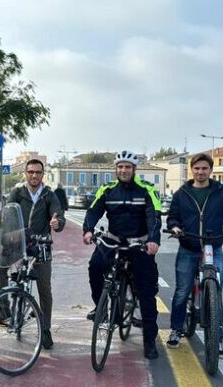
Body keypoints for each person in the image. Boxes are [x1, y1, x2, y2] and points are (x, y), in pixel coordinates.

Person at [165, 153, 223, 358]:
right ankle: (176, 329)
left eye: (205, 168)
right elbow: (172, 217)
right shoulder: (182, 193)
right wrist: (175, 227)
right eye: (197, 168)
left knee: (216, 293)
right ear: (191, 169)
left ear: (210, 170)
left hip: (214, 248)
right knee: (181, 291)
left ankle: (218, 339)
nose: (200, 172)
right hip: (188, 247)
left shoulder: (222, 191)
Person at [82, 150, 162, 359]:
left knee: (146, 292)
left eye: (127, 167)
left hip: (139, 243)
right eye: (120, 167)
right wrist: (88, 230)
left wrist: (153, 240)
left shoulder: (147, 190)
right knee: (95, 266)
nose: (123, 170)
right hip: (114, 240)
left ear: (134, 169)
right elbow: (93, 211)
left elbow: (154, 215)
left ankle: (149, 341)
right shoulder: (107, 190)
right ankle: (102, 307)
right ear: (115, 169)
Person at [0, 159, 65, 349]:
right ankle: (3, 310)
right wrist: (10, 237)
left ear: (43, 174)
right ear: (25, 173)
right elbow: (8, 215)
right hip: (18, 242)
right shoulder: (17, 192)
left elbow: (58, 214)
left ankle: (46, 330)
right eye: (31, 172)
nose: (34, 175)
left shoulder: (49, 195)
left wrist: (57, 223)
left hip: (40, 245)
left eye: (38, 172)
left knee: (44, 289)